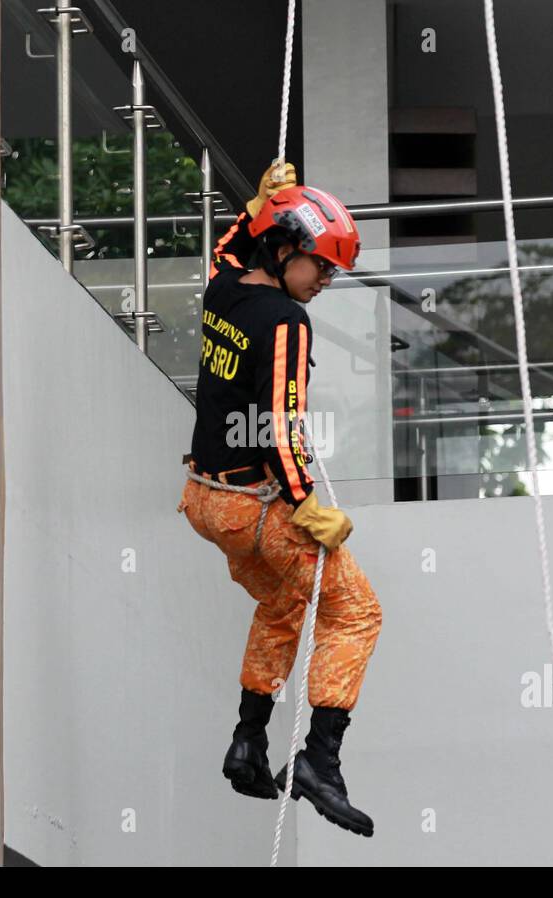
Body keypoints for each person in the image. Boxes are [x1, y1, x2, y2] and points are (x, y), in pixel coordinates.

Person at [177, 162, 382, 837]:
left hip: (205, 501)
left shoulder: (224, 290)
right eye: (321, 266)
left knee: (283, 601)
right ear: (287, 248)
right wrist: (305, 505)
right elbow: (282, 424)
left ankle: (248, 742)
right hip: (254, 506)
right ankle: (321, 758)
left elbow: (226, 249)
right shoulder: (287, 323)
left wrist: (252, 208)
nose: (328, 280)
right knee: (355, 612)